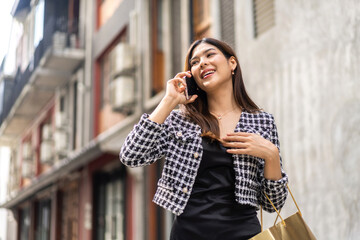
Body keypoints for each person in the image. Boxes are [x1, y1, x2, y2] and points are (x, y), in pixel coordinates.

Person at [119, 38, 288, 240]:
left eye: (209, 55)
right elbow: (131, 155)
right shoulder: (180, 121)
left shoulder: (262, 122)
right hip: (189, 234)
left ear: (231, 63)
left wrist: (271, 155)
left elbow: (273, 204)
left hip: (244, 234)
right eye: (195, 62)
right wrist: (168, 101)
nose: (202, 63)